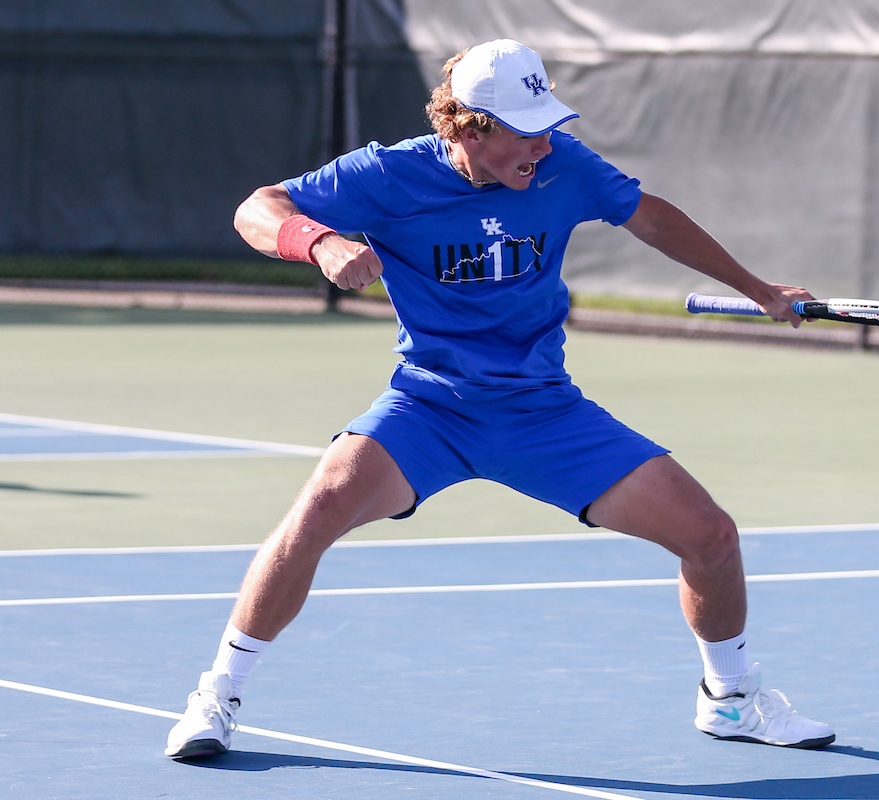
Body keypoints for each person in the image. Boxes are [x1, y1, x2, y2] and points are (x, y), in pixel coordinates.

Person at [164, 38, 835, 759]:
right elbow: (256, 209)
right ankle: (217, 695)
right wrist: (319, 242)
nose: (543, 145)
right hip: (430, 406)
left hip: (543, 410)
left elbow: (653, 218)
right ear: (467, 126)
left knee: (711, 535)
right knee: (317, 510)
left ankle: (730, 701)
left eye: (547, 124)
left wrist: (759, 289)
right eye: (524, 128)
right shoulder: (387, 175)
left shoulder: (563, 167)